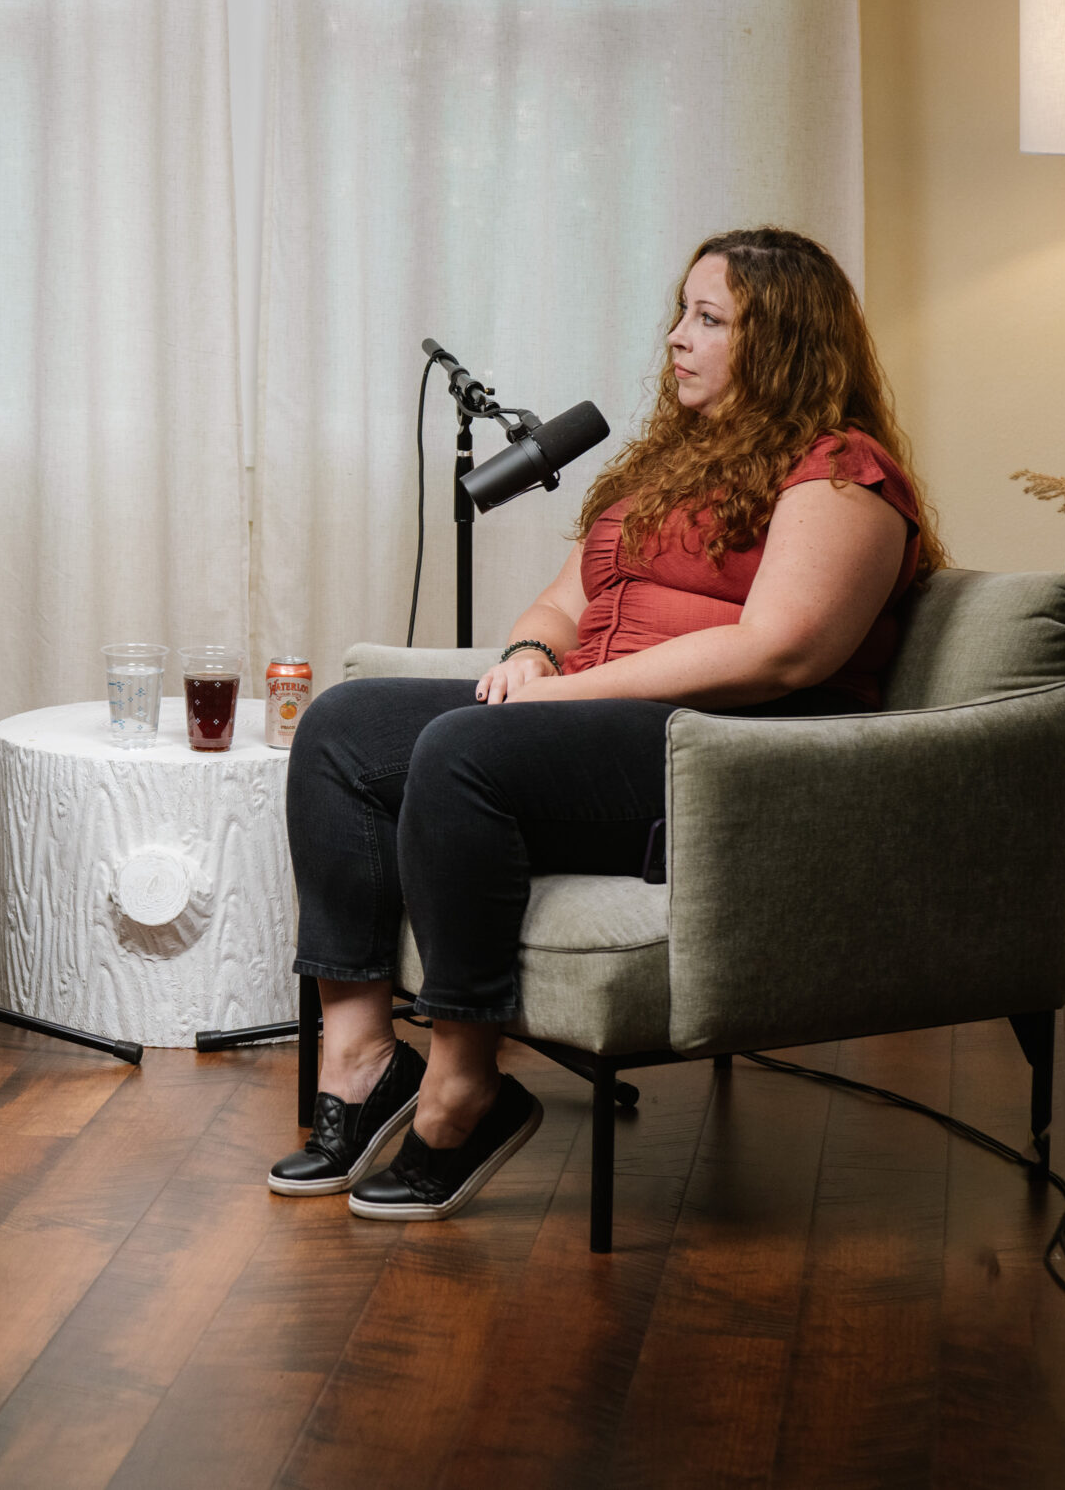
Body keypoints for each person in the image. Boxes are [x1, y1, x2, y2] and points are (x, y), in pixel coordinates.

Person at [272, 227, 945, 1221]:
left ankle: (465, 1093)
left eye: (708, 319)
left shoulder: (840, 470)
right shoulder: (666, 464)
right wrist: (528, 657)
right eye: (681, 311)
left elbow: (779, 650)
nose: (675, 337)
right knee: (340, 728)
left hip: (716, 753)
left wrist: (559, 698)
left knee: (462, 752)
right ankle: (364, 1062)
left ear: (786, 343)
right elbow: (561, 604)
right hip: (587, 727)